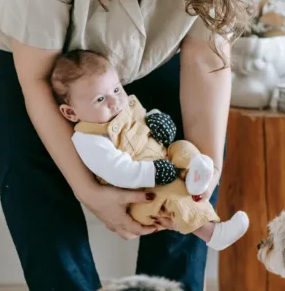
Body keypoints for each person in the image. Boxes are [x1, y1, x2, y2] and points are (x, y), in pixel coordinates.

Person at [0, 0, 253, 291]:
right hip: (10, 49)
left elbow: (207, 60)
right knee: (25, 149)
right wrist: (90, 191)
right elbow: (36, 78)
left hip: (136, 55)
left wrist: (204, 172)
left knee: (188, 141)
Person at [52, 49, 250, 251]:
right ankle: (213, 233)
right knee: (174, 196)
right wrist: (153, 173)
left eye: (117, 90)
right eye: (100, 100)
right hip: (140, 191)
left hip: (162, 160)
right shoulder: (89, 139)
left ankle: (195, 177)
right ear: (70, 112)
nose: (114, 101)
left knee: (183, 147)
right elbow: (117, 170)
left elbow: (143, 118)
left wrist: (157, 121)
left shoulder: (124, 107)